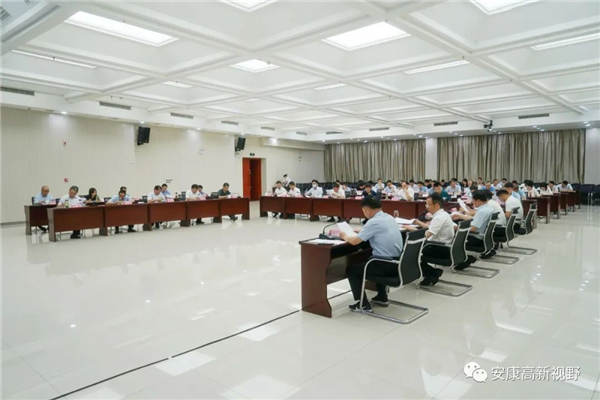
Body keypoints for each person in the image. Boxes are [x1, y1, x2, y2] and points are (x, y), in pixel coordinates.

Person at [339, 196, 404, 312]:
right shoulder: (389, 217)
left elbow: (354, 241)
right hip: (399, 263)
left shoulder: (373, 222)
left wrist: (344, 236)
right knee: (374, 257)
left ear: (367, 209)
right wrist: (363, 231)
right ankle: (382, 297)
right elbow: (380, 232)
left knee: (352, 270)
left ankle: (363, 304)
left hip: (386, 266)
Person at [404, 193, 456, 286]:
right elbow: (432, 228)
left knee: (410, 253)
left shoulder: (439, 217)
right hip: (445, 246)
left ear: (437, 205)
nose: (426, 206)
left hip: (439, 248)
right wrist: (419, 223)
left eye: (429, 204)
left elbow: (425, 236)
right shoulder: (444, 214)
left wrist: (412, 229)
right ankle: (431, 273)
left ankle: (431, 273)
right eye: (426, 204)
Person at [451, 190, 494, 269]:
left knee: (450, 237)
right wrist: (460, 216)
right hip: (484, 237)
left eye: (473, 200)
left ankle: (464, 259)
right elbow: (475, 219)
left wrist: (457, 228)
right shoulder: (488, 208)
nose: (472, 202)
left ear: (478, 200)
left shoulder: (482, 212)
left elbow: (473, 229)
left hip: (476, 238)